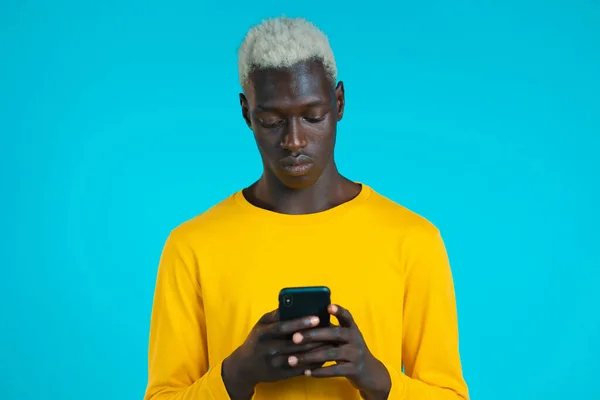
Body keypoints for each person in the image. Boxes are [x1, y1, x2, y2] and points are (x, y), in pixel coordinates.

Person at [144, 16, 469, 400]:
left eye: (312, 116)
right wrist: (238, 373)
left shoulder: (413, 240)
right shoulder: (191, 246)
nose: (294, 140)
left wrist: (374, 376)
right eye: (271, 121)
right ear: (247, 113)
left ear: (340, 101)